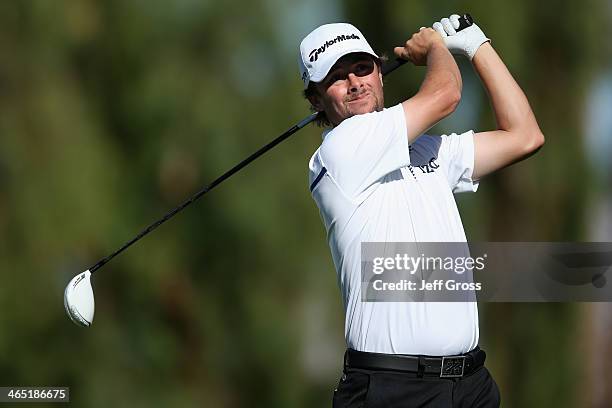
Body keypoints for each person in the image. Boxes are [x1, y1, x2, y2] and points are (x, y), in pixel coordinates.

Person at [298, 14, 544, 407]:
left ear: (380, 74)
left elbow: (524, 136)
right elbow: (446, 95)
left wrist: (479, 45)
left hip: (470, 384)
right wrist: (435, 48)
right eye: (337, 77)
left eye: (362, 68)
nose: (355, 83)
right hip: (393, 389)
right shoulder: (338, 152)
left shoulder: (428, 150)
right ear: (316, 99)